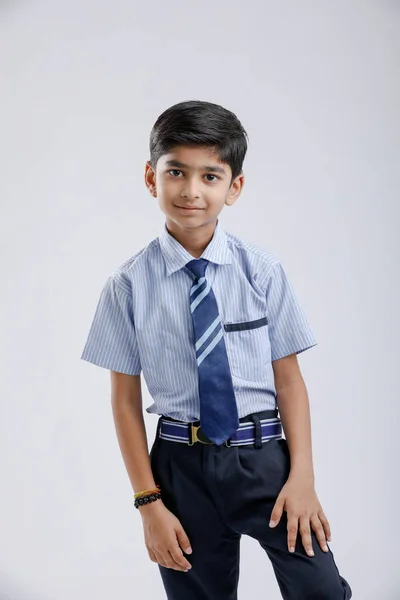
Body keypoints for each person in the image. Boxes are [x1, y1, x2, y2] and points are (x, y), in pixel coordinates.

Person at [81, 100, 352, 599]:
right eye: (176, 172)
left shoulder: (262, 273)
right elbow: (123, 401)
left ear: (235, 187)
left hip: (264, 460)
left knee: (321, 590)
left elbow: (289, 381)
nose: (190, 190)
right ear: (150, 177)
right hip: (180, 470)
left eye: (210, 176)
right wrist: (149, 504)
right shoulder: (127, 285)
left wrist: (303, 478)